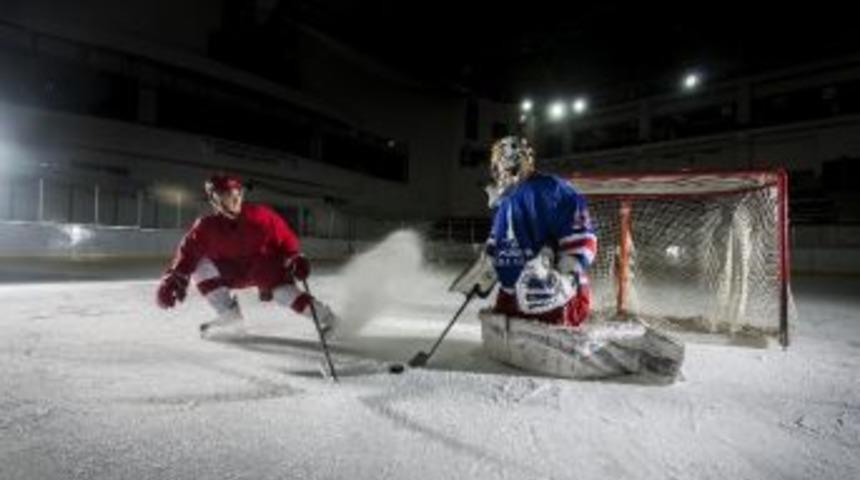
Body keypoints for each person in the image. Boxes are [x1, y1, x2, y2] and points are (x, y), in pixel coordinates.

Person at [155, 173, 339, 337]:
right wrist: (173, 278)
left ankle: (329, 319)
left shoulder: (261, 216)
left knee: (282, 293)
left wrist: (295, 257)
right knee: (200, 265)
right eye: (228, 196)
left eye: (238, 195)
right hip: (231, 272)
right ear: (215, 200)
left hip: (262, 267)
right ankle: (230, 315)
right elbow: (187, 253)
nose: (235, 200)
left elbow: (285, 239)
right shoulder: (205, 226)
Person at [484, 136, 596, 327]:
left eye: (502, 162)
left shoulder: (556, 190)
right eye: (497, 163)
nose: (498, 170)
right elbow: (497, 243)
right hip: (511, 299)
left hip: (553, 301)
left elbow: (581, 240)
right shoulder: (504, 200)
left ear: (517, 162)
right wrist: (485, 270)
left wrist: (564, 281)